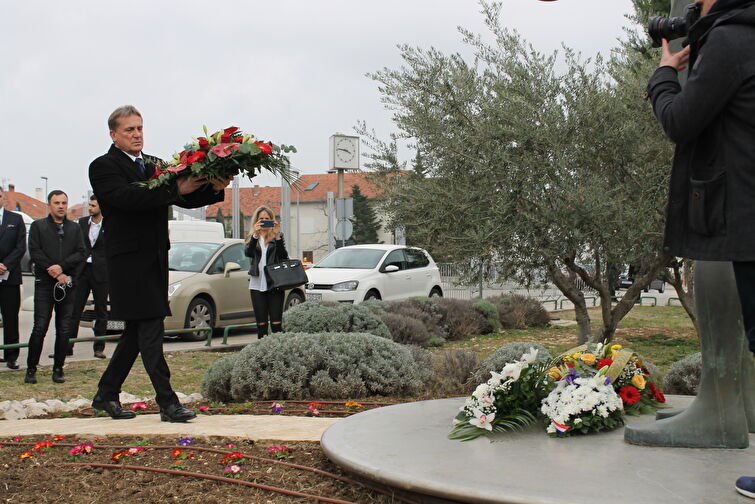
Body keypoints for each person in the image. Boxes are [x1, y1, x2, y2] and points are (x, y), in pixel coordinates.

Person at [624, 0, 755, 459]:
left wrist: (663, 74)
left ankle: (721, 410)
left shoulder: (730, 38)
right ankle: (740, 403)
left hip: (737, 210)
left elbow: (680, 121)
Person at [89, 105, 230, 422]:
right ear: (114, 135)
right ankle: (167, 403)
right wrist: (173, 188)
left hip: (155, 257)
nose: (137, 134)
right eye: (129, 130)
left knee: (135, 333)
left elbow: (183, 196)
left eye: (140, 128)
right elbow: (128, 199)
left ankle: (105, 394)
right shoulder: (102, 167)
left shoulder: (154, 164)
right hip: (127, 262)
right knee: (151, 329)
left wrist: (214, 188)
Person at [26, 190, 86, 384]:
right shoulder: (38, 226)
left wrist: (63, 269)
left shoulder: (74, 229)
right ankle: (31, 369)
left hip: (67, 285)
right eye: (57, 202)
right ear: (49, 205)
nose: (61, 206)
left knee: (64, 329)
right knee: (40, 327)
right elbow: (35, 252)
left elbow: (80, 252)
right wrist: (55, 271)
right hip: (45, 284)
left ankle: (58, 368)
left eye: (64, 203)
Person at [69, 195, 109, 359]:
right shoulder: (82, 223)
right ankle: (67, 345)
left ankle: (99, 347)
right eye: (89, 205)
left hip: (101, 272)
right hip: (83, 270)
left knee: (101, 311)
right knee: (74, 309)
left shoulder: (110, 224)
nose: (90, 208)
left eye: (93, 205)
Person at [244, 205, 289, 338]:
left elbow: (283, 256)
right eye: (261, 219)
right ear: (256, 221)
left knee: (276, 325)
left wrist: (277, 236)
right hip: (257, 285)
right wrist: (254, 237)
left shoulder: (277, 236)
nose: (264, 221)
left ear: (272, 220)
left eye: (267, 219)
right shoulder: (253, 237)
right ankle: (261, 355)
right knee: (261, 326)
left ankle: (278, 354)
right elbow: (248, 253)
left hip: (274, 284)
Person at [0, 186, 27, 370]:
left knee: (10, 318)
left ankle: (11, 356)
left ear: (3, 198)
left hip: (10, 277)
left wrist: (5, 265)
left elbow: (20, 247)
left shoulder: (15, 219)